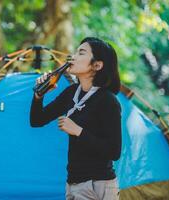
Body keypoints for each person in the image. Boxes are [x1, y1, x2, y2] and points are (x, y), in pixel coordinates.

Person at [30, 37, 122, 200]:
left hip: (97, 184)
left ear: (97, 65)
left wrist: (78, 131)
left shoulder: (108, 101)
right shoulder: (72, 92)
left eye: (81, 53)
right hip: (73, 184)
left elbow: (114, 152)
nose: (72, 56)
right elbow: (37, 121)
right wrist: (38, 95)